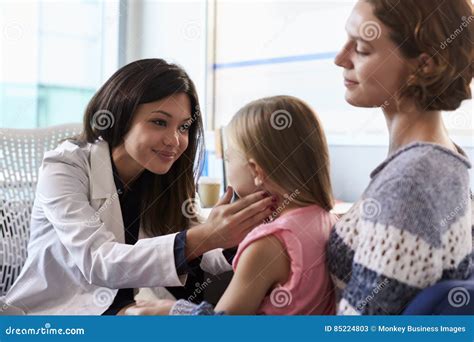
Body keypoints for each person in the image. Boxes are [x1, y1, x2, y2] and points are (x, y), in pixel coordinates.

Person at [1, 59, 275, 315]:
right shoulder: (65, 166)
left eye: (183, 128)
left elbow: (198, 248)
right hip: (55, 315)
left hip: (127, 309)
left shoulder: (162, 174)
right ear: (121, 116)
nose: (174, 140)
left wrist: (240, 236)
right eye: (159, 122)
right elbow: (99, 261)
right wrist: (207, 235)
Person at [125, 95, 338, 315]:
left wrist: (172, 311)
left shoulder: (266, 245)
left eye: (229, 158)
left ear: (256, 170)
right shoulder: (328, 219)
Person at [327, 0, 473, 314]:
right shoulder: (445, 160)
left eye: (363, 49)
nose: (340, 59)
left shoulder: (410, 182)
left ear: (424, 65)